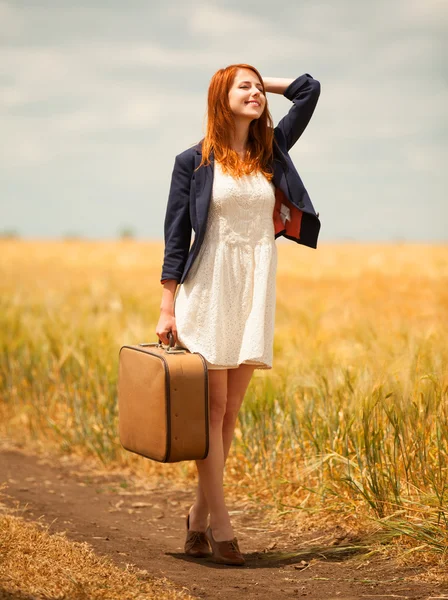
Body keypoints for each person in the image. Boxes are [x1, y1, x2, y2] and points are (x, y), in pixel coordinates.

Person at [156, 64, 321, 565]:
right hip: (207, 289)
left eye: (256, 87)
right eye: (241, 87)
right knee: (211, 410)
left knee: (229, 415)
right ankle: (222, 526)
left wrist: (258, 80)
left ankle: (197, 518)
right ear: (219, 98)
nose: (253, 93)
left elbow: (309, 92)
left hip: (254, 290)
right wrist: (167, 306)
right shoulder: (194, 161)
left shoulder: (272, 150)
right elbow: (176, 235)